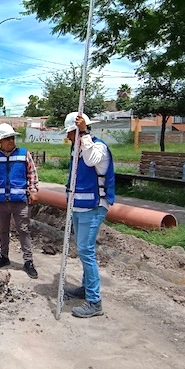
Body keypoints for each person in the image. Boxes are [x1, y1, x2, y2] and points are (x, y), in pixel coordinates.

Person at [61, 111, 115, 318]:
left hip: (93, 207)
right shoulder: (78, 149)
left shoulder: (97, 147)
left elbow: (92, 161)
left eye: (70, 133)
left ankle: (94, 301)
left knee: (86, 251)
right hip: (78, 207)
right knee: (83, 250)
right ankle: (85, 288)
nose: (68, 137)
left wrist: (83, 133)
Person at [0, 123, 40, 279]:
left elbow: (32, 174)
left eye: (12, 138)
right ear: (0, 141)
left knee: (24, 230)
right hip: (0, 201)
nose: (11, 141)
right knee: (3, 230)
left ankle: (28, 262)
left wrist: (33, 191)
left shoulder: (23, 154)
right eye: (7, 139)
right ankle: (4, 256)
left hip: (19, 200)